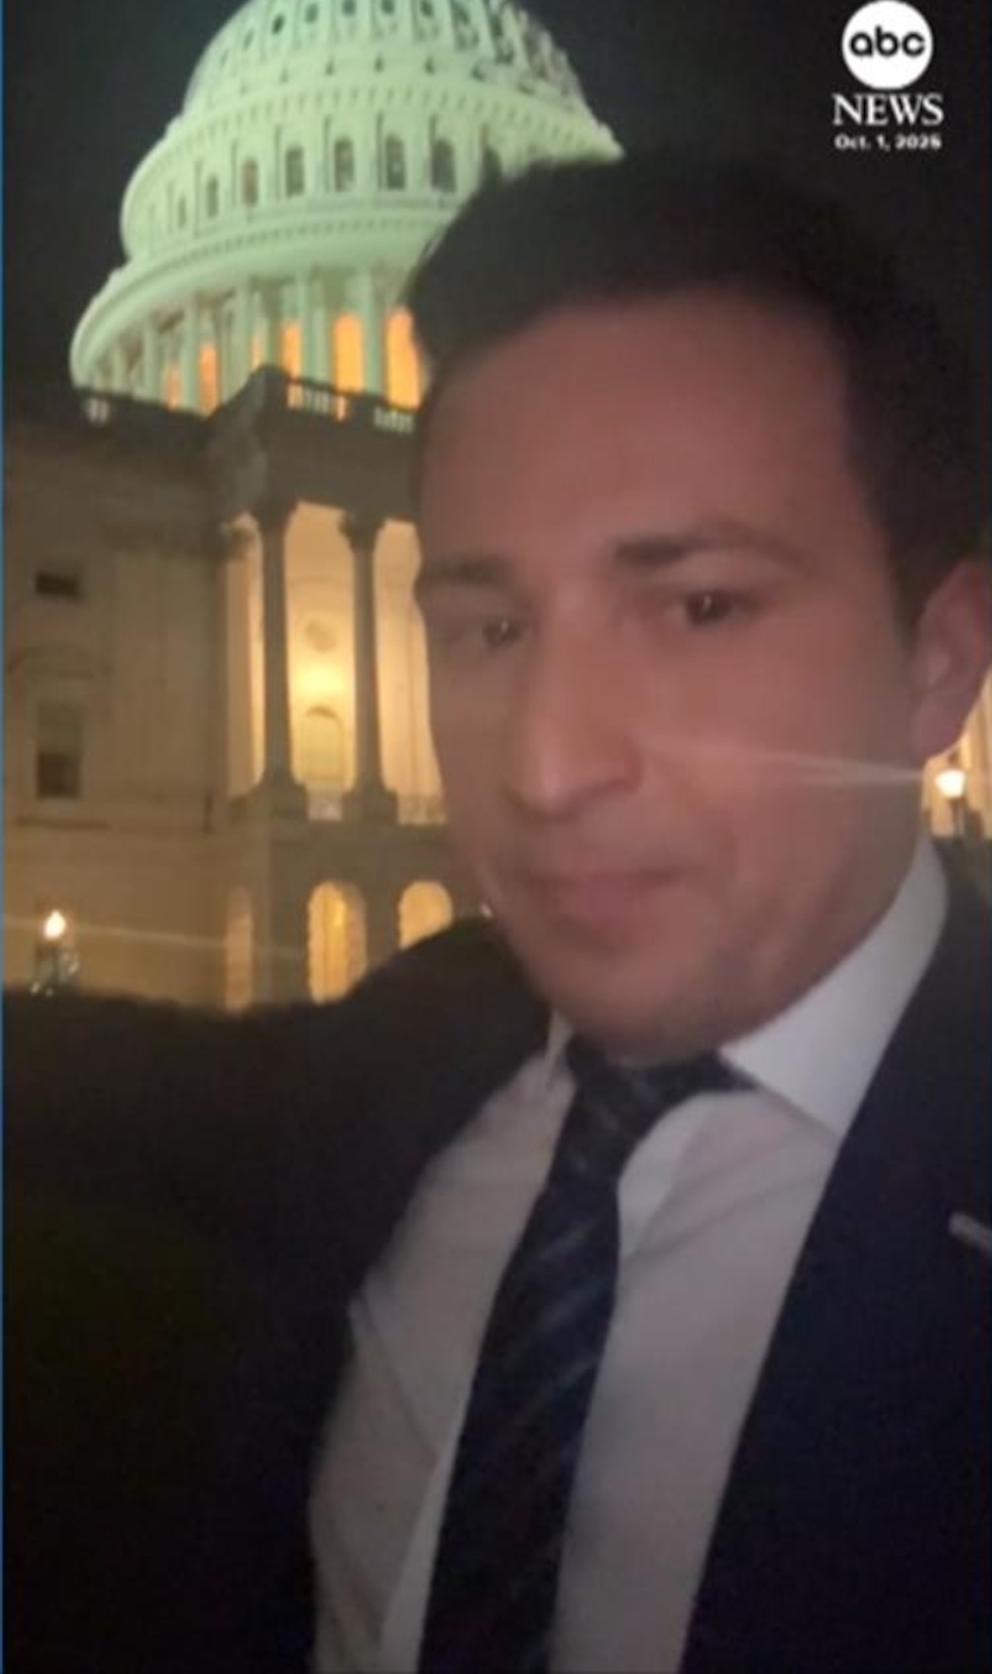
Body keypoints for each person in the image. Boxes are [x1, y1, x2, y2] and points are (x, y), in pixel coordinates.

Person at [12, 151, 987, 1674]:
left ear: (937, 662)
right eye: (485, 625)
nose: (544, 769)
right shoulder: (421, 1041)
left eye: (700, 606)